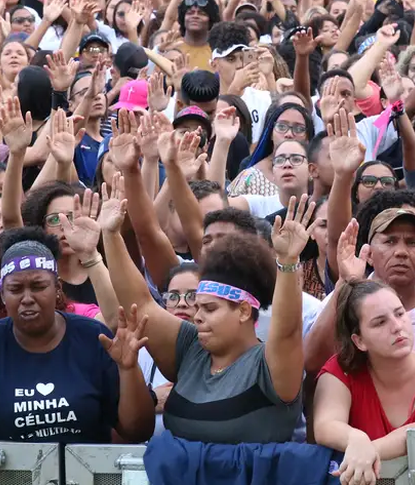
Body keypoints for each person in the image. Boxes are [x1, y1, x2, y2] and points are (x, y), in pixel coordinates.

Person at [102, 123, 310, 442]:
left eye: (210, 309)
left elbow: (288, 329)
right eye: (199, 306)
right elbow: (141, 305)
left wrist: (287, 262)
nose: (196, 316)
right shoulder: (191, 350)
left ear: (243, 310)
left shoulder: (270, 365)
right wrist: (111, 234)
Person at [0, 228, 154, 444]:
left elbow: (138, 431)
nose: (27, 298)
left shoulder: (94, 338)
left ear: (57, 289)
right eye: (15, 289)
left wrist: (129, 370)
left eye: (38, 286)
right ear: (2, 294)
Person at [313, 280, 415, 484]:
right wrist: (355, 438)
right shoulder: (341, 370)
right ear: (359, 341)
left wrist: (368, 450)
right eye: (380, 322)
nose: (397, 326)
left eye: (400, 313)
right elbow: (325, 425)